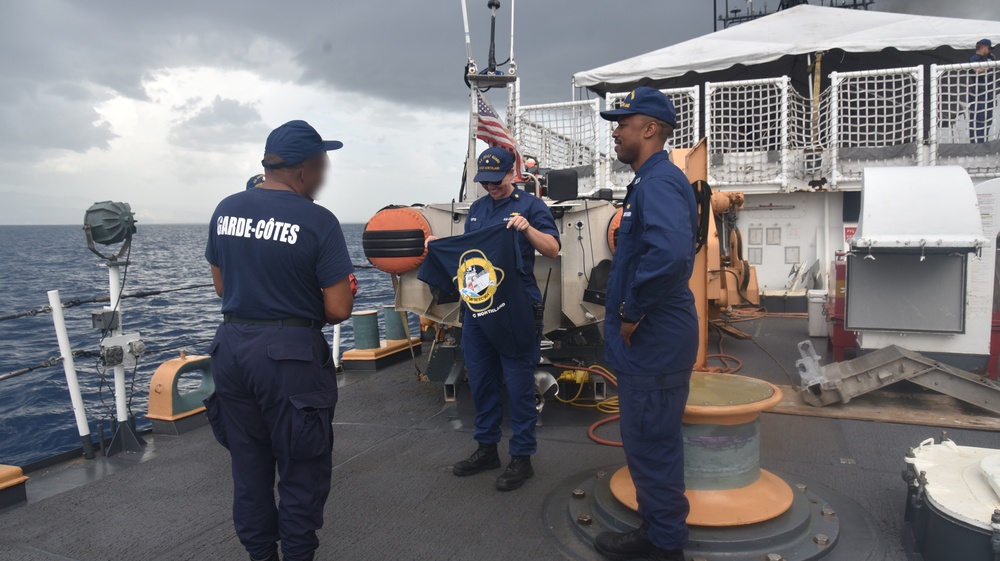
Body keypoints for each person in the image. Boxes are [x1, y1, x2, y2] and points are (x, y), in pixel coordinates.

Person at [204, 120, 355, 561]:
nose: (324, 175)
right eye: (323, 165)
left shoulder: (226, 208)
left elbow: (220, 286)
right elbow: (340, 309)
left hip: (231, 350)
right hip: (289, 359)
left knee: (248, 467)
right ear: (306, 169)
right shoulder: (318, 221)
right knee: (301, 468)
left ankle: (260, 556)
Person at [595, 88, 699, 561]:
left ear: (650, 129)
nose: (615, 131)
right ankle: (657, 528)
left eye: (623, 122)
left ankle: (665, 546)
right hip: (652, 339)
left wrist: (632, 311)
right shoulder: (650, 180)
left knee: (651, 441)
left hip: (654, 337)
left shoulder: (657, 182)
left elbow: (671, 256)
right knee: (646, 438)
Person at [426, 146, 560, 491]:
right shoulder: (478, 209)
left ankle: (522, 458)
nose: (491, 188)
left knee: (518, 385)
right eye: (484, 182)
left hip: (517, 309)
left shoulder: (531, 206)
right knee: (482, 382)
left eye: (496, 181)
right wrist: (442, 245)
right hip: (479, 309)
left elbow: (552, 249)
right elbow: (473, 250)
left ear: (512, 175)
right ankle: (487, 449)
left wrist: (527, 228)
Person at [970, 38, 996, 144]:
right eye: (989, 48)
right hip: (979, 94)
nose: (989, 51)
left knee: (988, 120)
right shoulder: (974, 58)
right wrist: (990, 65)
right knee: (979, 120)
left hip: (988, 93)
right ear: (984, 47)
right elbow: (978, 70)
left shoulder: (987, 58)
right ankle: (977, 143)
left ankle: (983, 142)